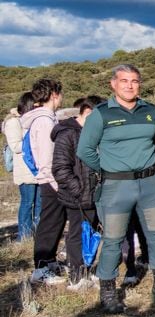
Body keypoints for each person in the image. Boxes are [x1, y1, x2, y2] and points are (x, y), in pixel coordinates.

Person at [79, 65, 155, 312]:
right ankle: (108, 290)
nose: (130, 85)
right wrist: (109, 169)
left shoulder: (151, 111)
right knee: (112, 239)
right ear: (113, 84)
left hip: (150, 183)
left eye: (134, 81)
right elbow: (85, 150)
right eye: (124, 81)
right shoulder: (100, 115)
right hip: (116, 186)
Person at [51, 96, 102, 289]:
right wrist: (78, 190)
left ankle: (88, 270)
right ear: (86, 112)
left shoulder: (92, 133)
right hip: (77, 196)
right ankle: (77, 275)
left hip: (94, 194)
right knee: (77, 233)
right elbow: (60, 169)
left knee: (93, 232)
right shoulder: (68, 134)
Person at [22, 78, 66, 286]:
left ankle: (48, 261)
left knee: (55, 221)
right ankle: (41, 266)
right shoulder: (44, 121)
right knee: (49, 222)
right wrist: (57, 182)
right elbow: (48, 157)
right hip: (51, 180)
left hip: (50, 179)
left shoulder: (45, 118)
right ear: (54, 94)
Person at [5, 94, 40, 241]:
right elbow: (15, 146)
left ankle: (38, 235)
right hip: (25, 170)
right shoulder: (14, 122)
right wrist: (35, 140)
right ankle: (24, 236)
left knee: (40, 204)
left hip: (39, 169)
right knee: (27, 203)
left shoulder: (36, 121)